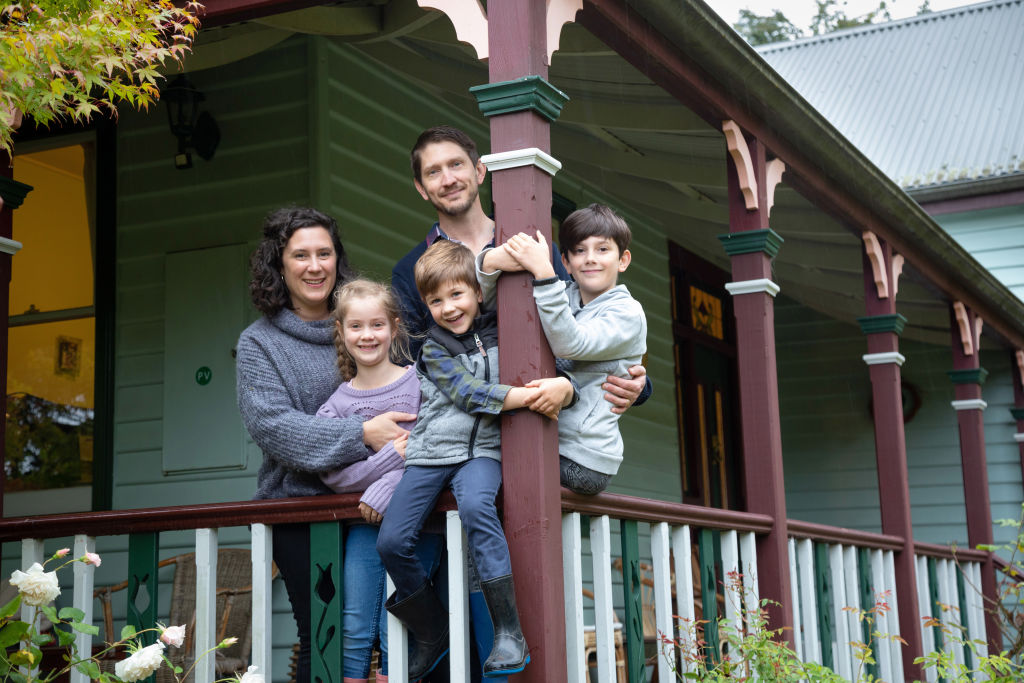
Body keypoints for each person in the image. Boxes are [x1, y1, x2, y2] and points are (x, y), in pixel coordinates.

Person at [376, 240, 575, 680]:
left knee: (476, 508)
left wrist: (566, 385)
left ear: (478, 293)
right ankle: (432, 630)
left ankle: (508, 630)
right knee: (392, 540)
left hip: (482, 453)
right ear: (425, 306)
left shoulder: (508, 333)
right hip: (430, 454)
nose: (448, 307)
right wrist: (523, 397)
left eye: (457, 294)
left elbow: (563, 358)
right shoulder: (433, 349)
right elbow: (467, 394)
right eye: (435, 300)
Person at [235, 207, 414, 683]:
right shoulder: (260, 343)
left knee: (394, 629)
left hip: (381, 504)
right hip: (300, 511)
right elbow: (274, 427)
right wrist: (362, 434)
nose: (315, 266)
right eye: (300, 255)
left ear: (338, 260)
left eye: (324, 253)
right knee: (325, 636)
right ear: (279, 265)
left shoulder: (369, 323)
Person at [391, 124, 647, 415]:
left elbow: (583, 324)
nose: (448, 179)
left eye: (456, 164)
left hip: (543, 423)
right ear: (421, 188)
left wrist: (638, 382)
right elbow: (410, 366)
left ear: (479, 171)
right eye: (434, 172)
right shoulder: (410, 269)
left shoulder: (535, 247)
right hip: (463, 432)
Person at [316, 279, 443, 683]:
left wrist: (389, 488)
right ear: (341, 332)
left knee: (397, 631)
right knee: (354, 626)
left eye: (376, 325)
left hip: (417, 527)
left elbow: (437, 447)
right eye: (355, 326)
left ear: (394, 326)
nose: (367, 335)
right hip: (363, 527)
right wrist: (392, 457)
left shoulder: (421, 384)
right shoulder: (336, 405)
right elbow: (335, 475)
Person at [480, 204, 648, 494]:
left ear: (623, 260)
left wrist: (543, 270)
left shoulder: (627, 313)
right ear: (567, 262)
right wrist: (489, 265)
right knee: (482, 467)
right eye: (580, 251)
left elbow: (571, 343)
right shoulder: (564, 296)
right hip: (557, 441)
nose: (590, 259)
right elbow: (500, 309)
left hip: (585, 459)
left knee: (502, 470)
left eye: (603, 249)